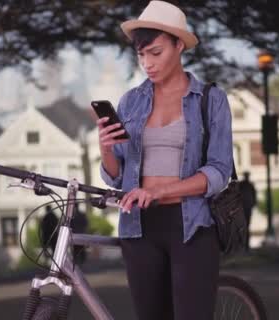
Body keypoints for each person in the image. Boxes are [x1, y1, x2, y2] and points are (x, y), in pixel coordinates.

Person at [97, 2, 233, 319]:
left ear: (179, 45)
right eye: (142, 55)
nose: (148, 63)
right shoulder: (130, 101)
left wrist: (158, 192)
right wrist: (105, 147)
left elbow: (218, 172)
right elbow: (116, 177)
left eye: (155, 53)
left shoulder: (211, 99)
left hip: (192, 226)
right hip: (138, 228)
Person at [239, 171, 257, 250]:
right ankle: (243, 245)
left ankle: (245, 245)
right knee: (243, 227)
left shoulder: (249, 185)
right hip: (243, 208)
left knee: (246, 227)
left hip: (246, 208)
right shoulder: (242, 185)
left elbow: (254, 197)